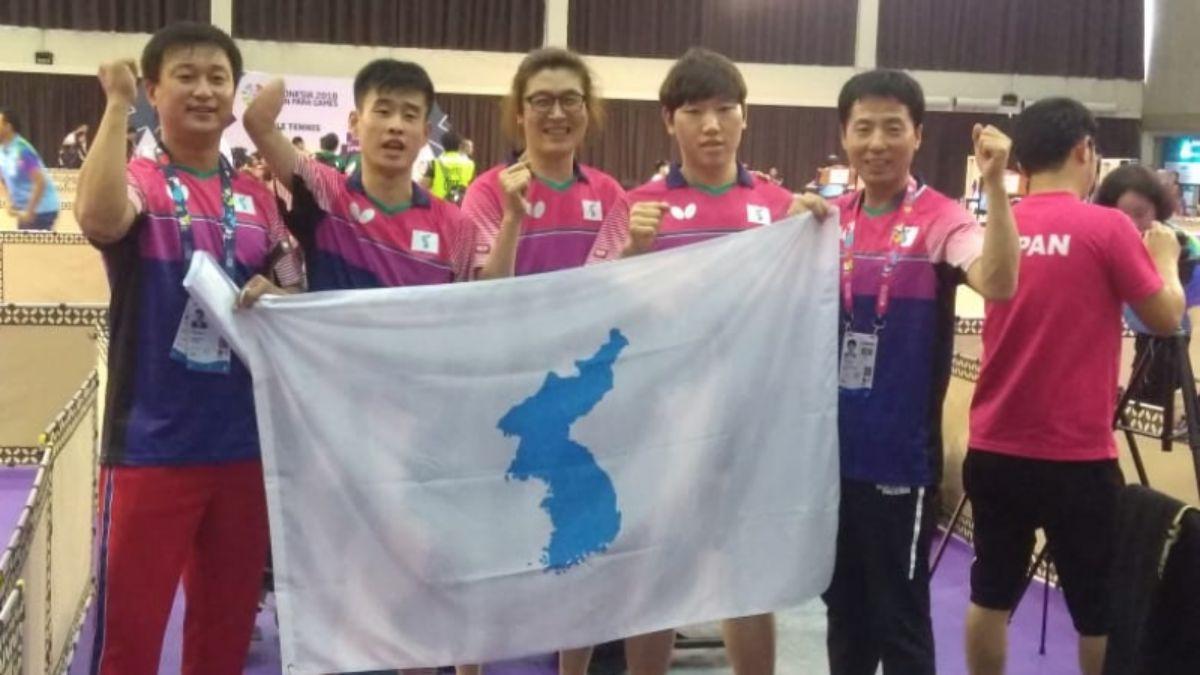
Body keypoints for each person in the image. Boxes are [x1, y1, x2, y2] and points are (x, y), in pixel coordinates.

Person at [74, 22, 303, 675]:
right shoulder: (142, 181)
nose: (203, 90)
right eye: (186, 76)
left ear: (233, 96)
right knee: (130, 640)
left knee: (224, 637)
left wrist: (277, 295)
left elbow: (296, 290)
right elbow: (97, 219)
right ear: (154, 88)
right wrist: (115, 105)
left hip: (243, 449)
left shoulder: (258, 196)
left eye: (217, 78)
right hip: (151, 448)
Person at [613, 47, 826, 675]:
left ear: (745, 118)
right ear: (668, 121)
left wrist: (815, 231)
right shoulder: (638, 206)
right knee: (656, 575)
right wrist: (632, 251)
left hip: (748, 420)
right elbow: (605, 309)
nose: (711, 125)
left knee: (747, 574)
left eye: (724, 110)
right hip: (663, 419)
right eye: (695, 111)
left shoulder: (783, 207)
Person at [964, 99, 1186, 675]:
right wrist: (1164, 260)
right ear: (1085, 150)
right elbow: (1165, 318)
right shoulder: (1107, 227)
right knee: (1096, 609)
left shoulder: (999, 225)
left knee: (989, 596)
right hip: (1077, 457)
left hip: (995, 446)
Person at [821, 69, 1020, 675]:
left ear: (917, 136)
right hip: (828, 461)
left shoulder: (942, 219)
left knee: (900, 620)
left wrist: (996, 188)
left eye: (892, 128)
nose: (877, 142)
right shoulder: (827, 223)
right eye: (863, 128)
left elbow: (1000, 281)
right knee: (844, 617)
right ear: (845, 137)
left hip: (900, 466)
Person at [454, 46, 629, 675]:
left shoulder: (610, 195)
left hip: (580, 398)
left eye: (570, 100)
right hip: (504, 395)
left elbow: (603, 294)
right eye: (541, 101)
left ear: (588, 111)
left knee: (577, 540)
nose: (556, 113)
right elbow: (483, 292)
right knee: (488, 542)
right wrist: (511, 218)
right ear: (519, 114)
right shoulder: (483, 192)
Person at [0, 107, 61, 230]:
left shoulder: (23, 150)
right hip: (24, 210)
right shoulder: (2, 150)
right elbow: (2, 180)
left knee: (33, 249)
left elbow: (40, 181)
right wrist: (9, 200)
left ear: (8, 127)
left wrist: (30, 211)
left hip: (42, 210)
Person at [424, 130, 475, 204]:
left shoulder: (435, 163)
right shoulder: (470, 164)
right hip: (460, 208)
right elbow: (474, 187)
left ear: (443, 145)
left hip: (438, 207)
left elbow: (423, 187)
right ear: (459, 145)